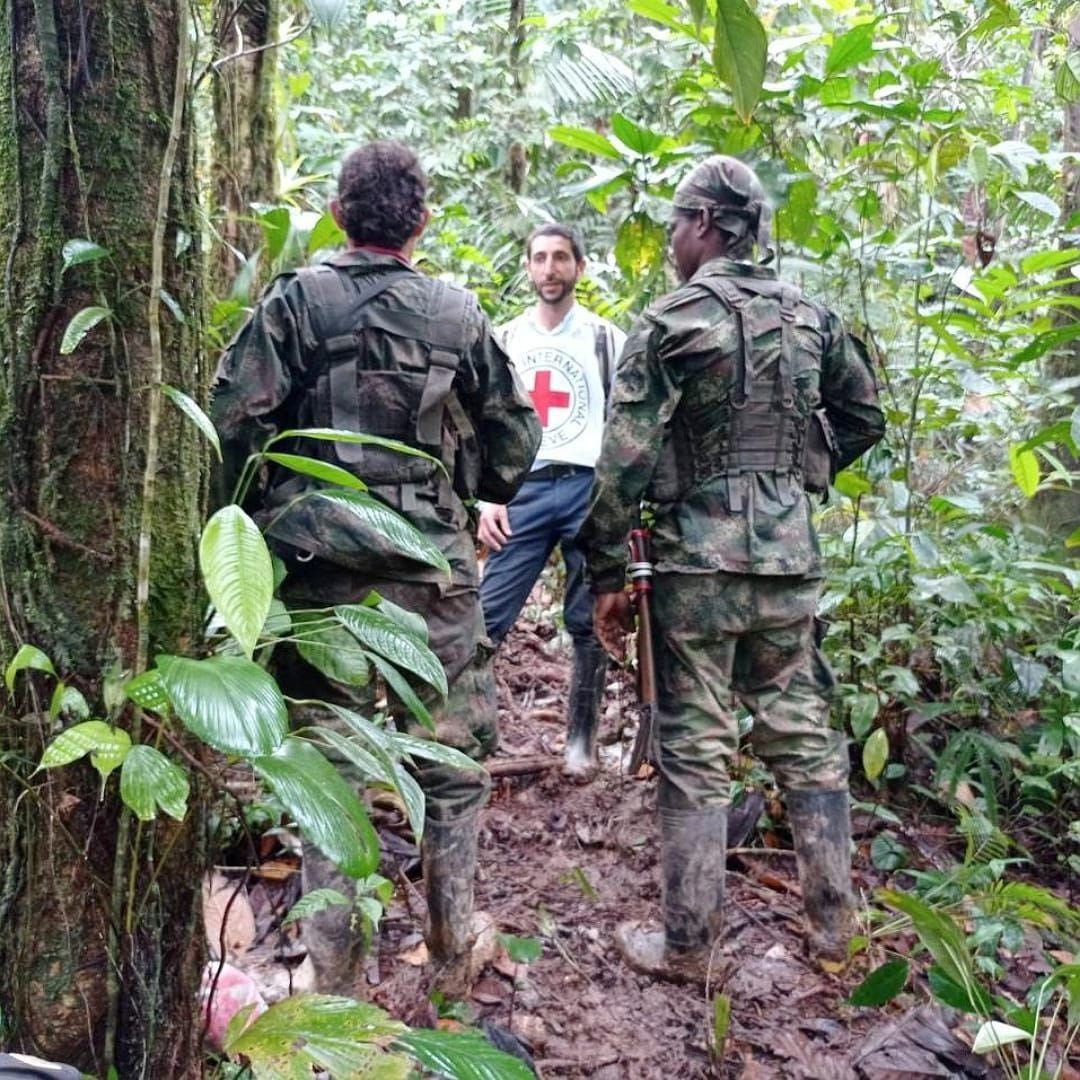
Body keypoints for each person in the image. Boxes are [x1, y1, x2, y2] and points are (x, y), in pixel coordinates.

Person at [212, 140, 541, 992]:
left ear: (335, 215)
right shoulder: (458, 313)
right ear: (422, 223)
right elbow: (513, 442)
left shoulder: (293, 303)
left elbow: (234, 428)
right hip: (430, 569)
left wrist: (251, 530)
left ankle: (337, 982)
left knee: (330, 771)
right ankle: (452, 939)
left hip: (317, 568)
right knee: (453, 758)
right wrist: (466, 489)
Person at [579, 155, 885, 982]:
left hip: (695, 568)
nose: (673, 237)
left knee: (694, 741)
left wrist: (606, 566)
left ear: (708, 225)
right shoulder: (811, 316)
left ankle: (688, 947)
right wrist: (793, 475)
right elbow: (862, 415)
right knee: (803, 732)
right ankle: (836, 932)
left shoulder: (673, 320)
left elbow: (625, 455)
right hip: (788, 562)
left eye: (678, 221)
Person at [477, 224, 626, 779]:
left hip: (589, 488)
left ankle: (581, 746)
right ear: (528, 266)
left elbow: (629, 427)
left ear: (579, 268)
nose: (549, 269)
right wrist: (483, 499)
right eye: (539, 258)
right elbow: (480, 423)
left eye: (560, 257)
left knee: (589, 620)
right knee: (486, 616)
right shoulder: (507, 339)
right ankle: (468, 739)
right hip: (525, 488)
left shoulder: (607, 339)